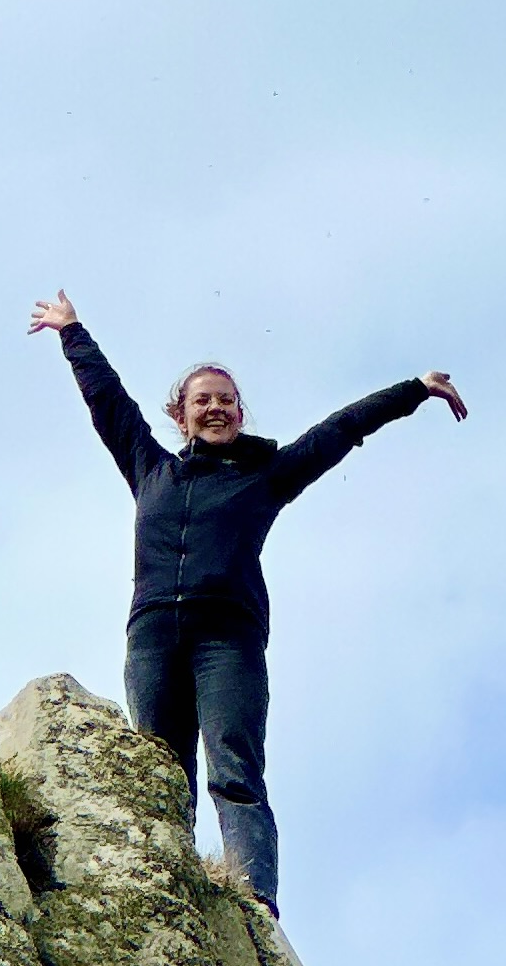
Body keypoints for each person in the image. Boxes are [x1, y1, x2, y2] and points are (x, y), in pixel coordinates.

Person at [29, 288, 466, 912]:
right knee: (158, 772)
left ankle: (254, 902)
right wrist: (72, 332)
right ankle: (162, 887)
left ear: (240, 413)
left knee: (234, 772)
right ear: (180, 416)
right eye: (202, 401)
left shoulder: (266, 476)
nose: (215, 409)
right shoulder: (151, 468)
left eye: (226, 401)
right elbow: (108, 400)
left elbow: (337, 431)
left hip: (225, 641)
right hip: (152, 635)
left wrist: (414, 390)